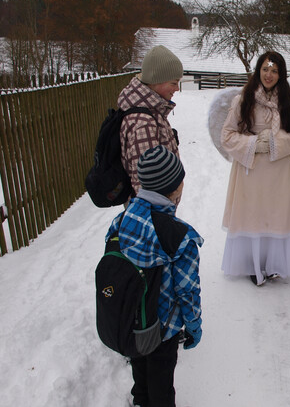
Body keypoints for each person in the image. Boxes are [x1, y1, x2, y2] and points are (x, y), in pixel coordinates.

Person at [106, 145, 204, 406]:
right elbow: (187, 291)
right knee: (162, 382)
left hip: (132, 320)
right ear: (175, 188)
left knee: (140, 368)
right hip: (164, 330)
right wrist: (194, 327)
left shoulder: (119, 222)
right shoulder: (180, 237)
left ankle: (139, 400)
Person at [220, 51, 290, 286]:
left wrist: (276, 143)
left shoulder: (289, 101)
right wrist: (253, 143)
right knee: (254, 215)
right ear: (258, 70)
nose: (269, 74)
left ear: (281, 74)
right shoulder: (242, 100)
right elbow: (226, 136)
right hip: (252, 169)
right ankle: (253, 264)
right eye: (265, 69)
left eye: (275, 70)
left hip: (279, 170)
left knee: (276, 215)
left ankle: (273, 263)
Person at [118, 45, 182, 197]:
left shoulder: (152, 111)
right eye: (173, 83)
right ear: (155, 81)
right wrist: (163, 217)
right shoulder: (143, 123)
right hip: (154, 212)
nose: (177, 88)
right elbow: (145, 187)